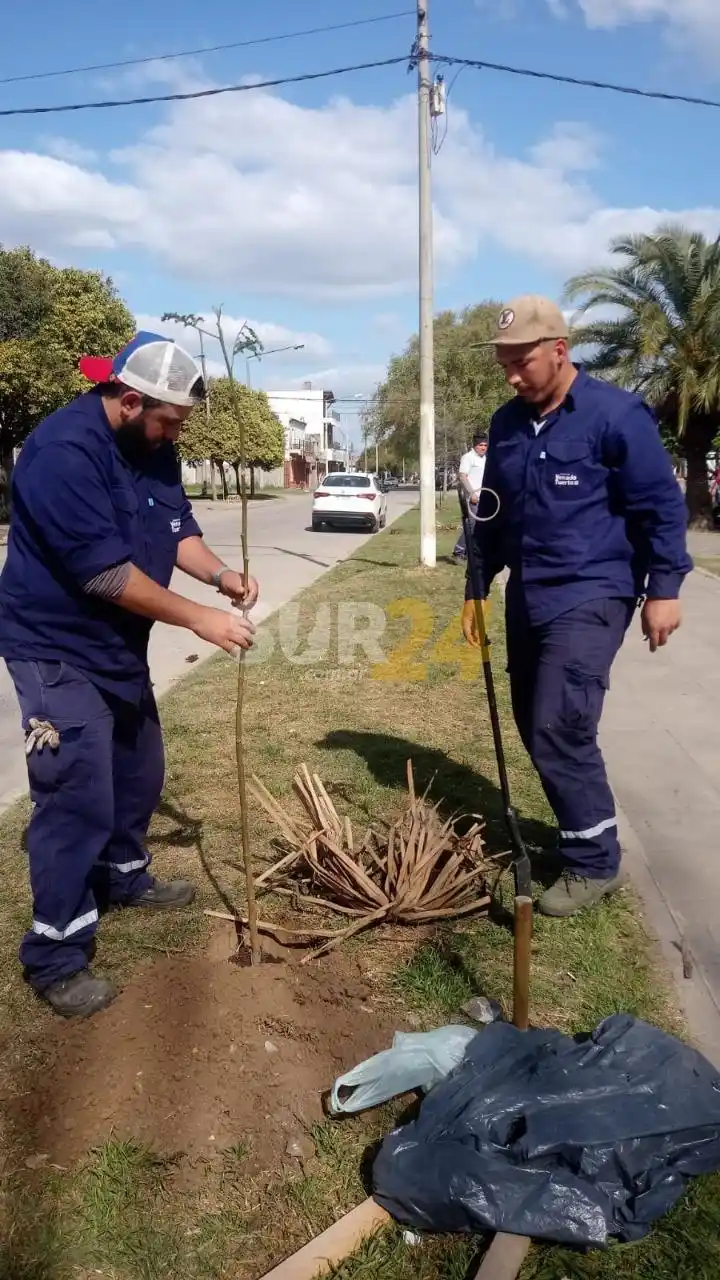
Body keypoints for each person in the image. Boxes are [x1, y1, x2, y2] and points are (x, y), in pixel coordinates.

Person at [0, 332, 259, 1018]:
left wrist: (224, 576)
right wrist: (202, 620)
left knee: (139, 767)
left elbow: (179, 534)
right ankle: (55, 953)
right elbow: (106, 574)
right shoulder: (63, 452)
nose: (177, 433)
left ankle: (122, 875)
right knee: (76, 792)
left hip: (115, 646)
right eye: (170, 420)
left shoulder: (154, 445)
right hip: (55, 645)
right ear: (130, 399)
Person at [462, 296, 692, 917]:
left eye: (522, 362)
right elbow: (493, 513)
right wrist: (476, 587)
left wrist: (665, 589)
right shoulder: (508, 423)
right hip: (528, 593)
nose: (512, 375)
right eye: (504, 364)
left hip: (595, 591)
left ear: (559, 351)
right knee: (533, 719)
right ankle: (579, 832)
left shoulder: (616, 416)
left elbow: (661, 509)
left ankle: (594, 863)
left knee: (560, 722)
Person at [453, 432, 488, 562]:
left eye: (485, 445)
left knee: (480, 527)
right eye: (480, 445)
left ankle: (470, 553)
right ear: (475, 446)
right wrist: (471, 493)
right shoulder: (468, 457)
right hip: (472, 498)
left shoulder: (484, 459)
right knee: (471, 526)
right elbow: (463, 476)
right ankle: (458, 551)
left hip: (483, 498)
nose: (483, 447)